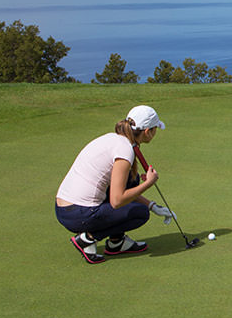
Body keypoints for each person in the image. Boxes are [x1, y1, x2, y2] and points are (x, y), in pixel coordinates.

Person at [55, 105, 176, 264]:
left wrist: (153, 206)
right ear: (148, 131)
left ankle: (117, 243)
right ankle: (87, 239)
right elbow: (117, 200)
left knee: (132, 180)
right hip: (79, 214)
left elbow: (123, 189)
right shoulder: (125, 151)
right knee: (139, 213)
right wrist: (149, 184)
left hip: (64, 208)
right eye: (155, 129)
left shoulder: (113, 138)